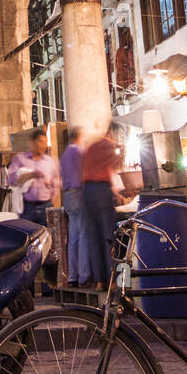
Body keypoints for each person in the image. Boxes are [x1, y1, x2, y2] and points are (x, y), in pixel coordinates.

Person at [82, 120, 124, 290]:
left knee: (94, 237)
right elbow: (116, 167)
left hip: (87, 192)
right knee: (109, 237)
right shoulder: (110, 147)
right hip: (101, 191)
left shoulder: (93, 146)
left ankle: (100, 281)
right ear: (114, 133)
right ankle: (115, 280)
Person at [9, 127, 60, 227]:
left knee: (47, 235)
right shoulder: (20, 159)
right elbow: (11, 180)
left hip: (46, 205)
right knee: (27, 235)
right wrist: (30, 175)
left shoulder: (50, 161)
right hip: (28, 207)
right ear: (32, 142)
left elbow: (56, 183)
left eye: (45, 142)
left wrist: (52, 200)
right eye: (40, 142)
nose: (43, 145)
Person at [59, 126, 91, 286]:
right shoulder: (79, 151)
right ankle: (84, 275)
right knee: (84, 236)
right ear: (79, 136)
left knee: (73, 238)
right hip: (79, 194)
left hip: (68, 196)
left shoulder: (64, 155)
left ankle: (72, 276)